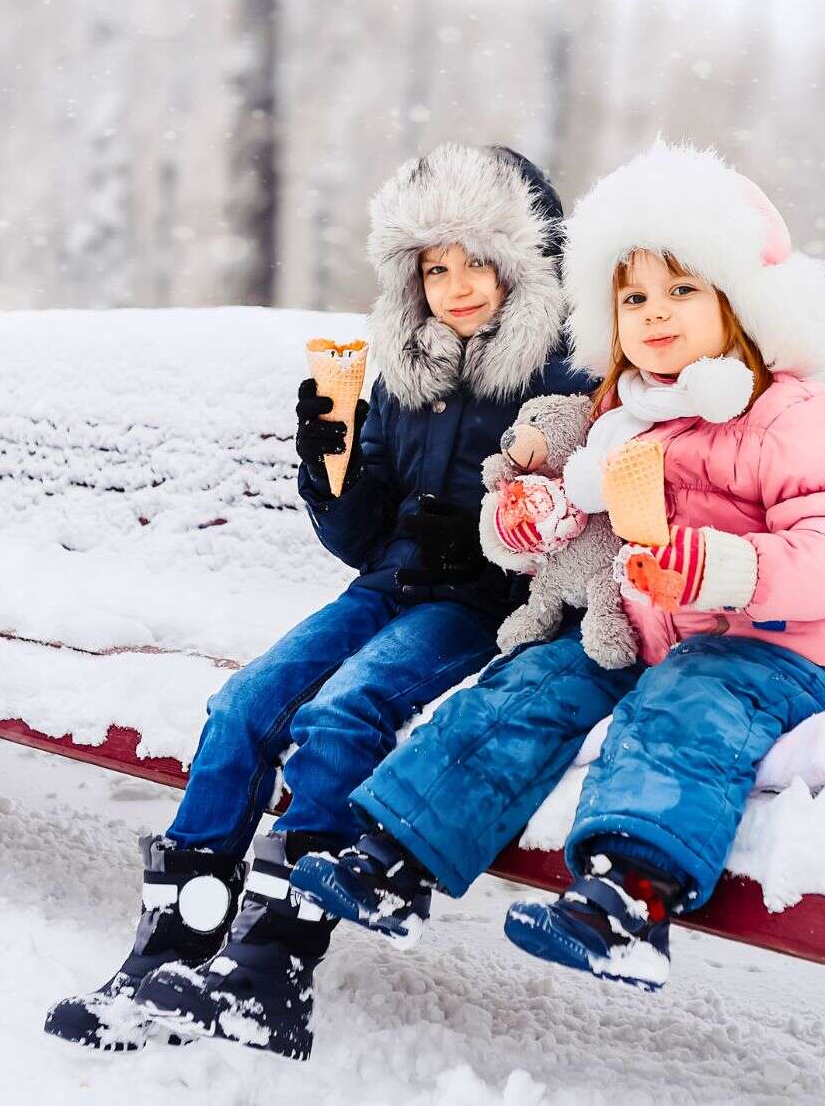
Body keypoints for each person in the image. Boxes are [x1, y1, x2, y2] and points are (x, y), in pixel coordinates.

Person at [293, 140, 825, 990]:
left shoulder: (788, 415)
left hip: (779, 646)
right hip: (644, 622)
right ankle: (397, 857)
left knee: (684, 702)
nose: (655, 312)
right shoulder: (624, 410)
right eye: (634, 295)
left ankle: (632, 900)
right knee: (528, 685)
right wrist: (535, 514)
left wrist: (723, 567)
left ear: (743, 303)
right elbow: (580, 503)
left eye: (684, 289)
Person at [43, 143, 594, 1058]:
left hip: (479, 603)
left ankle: (270, 968)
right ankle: (173, 950)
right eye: (434, 267)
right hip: (388, 581)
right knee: (246, 704)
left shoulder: (562, 369)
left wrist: (500, 521)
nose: (455, 286)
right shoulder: (406, 365)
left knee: (343, 712)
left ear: (524, 260)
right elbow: (359, 537)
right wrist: (330, 469)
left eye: (476, 262)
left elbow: (568, 512)